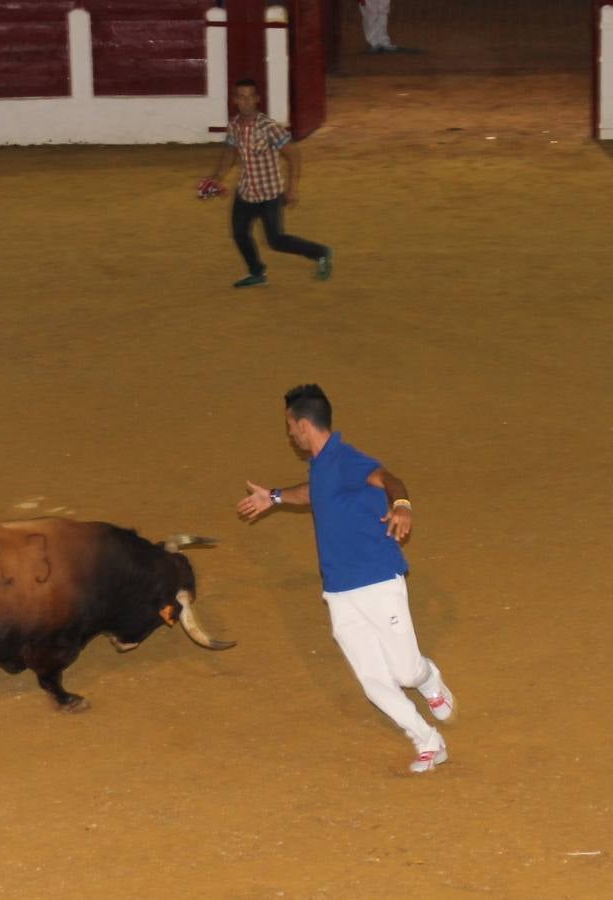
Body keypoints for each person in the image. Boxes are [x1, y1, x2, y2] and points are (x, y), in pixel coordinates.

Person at [237, 384, 456, 774]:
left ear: (304, 425)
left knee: (406, 672)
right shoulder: (321, 466)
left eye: (290, 425)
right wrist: (274, 497)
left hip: (378, 581)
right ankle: (427, 740)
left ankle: (429, 679)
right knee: (373, 681)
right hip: (338, 592)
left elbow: (389, 479)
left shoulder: (347, 458)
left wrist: (402, 505)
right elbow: (314, 493)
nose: (289, 433)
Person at [204, 78, 332, 289]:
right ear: (235, 100)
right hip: (246, 192)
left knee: (276, 240)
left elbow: (293, 154)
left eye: (250, 97)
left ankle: (321, 252)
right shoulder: (234, 125)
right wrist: (217, 177)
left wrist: (292, 187)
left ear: (257, 99)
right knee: (239, 233)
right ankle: (257, 272)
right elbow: (230, 152)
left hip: (270, 194)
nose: (246, 102)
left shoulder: (269, 127)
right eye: (241, 97)